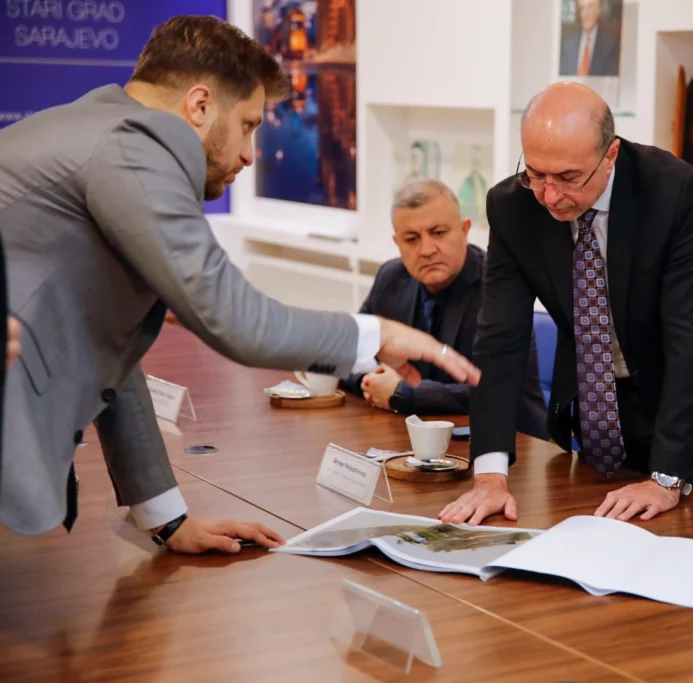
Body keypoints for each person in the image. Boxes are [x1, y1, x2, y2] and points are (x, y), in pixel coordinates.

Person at [0, 15, 478, 554]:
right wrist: (377, 335)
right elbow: (238, 322)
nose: (251, 153)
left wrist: (168, 519)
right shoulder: (137, 144)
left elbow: (108, 348)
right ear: (200, 106)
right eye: (248, 125)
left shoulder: (99, 127)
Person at [439, 82, 693, 526]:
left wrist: (666, 478)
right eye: (535, 173)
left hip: (689, 403)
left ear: (610, 155)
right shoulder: (513, 206)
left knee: (671, 537)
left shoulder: (671, 191)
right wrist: (490, 476)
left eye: (568, 178)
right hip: (598, 406)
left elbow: (691, 338)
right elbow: (500, 340)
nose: (549, 195)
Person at [341, 179, 548, 439]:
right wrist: (371, 380)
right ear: (397, 242)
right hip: (413, 438)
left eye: (438, 233)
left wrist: (404, 392)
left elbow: (498, 391)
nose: (427, 250)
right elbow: (346, 352)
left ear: (465, 230)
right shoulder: (391, 278)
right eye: (412, 239)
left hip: (509, 444)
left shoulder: (501, 288)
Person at [559, 0, 620, 77]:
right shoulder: (568, 42)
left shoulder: (610, 44)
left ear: (598, 10)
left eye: (590, 7)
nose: (585, 13)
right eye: (582, 8)